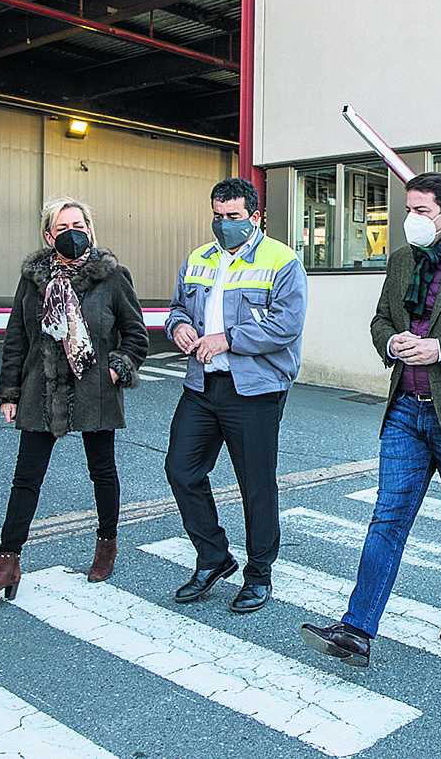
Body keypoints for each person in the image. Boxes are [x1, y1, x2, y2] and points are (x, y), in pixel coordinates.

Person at [300, 171, 441, 667]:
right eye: (408, 209)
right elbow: (382, 317)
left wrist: (439, 349)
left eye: (420, 210)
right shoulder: (401, 261)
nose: (409, 219)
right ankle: (357, 630)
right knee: (388, 516)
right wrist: (390, 342)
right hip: (405, 410)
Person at [0, 197, 149, 599]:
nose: (72, 233)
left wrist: (117, 368)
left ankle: (106, 545)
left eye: (79, 225)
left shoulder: (113, 277)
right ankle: (7, 562)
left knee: (102, 471)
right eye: (63, 227)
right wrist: (9, 391)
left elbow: (136, 336)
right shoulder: (33, 280)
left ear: (90, 229)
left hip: (95, 388)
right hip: (41, 388)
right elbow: (16, 337)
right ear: (49, 235)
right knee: (25, 479)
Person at [164, 177, 307, 614]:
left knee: (256, 486)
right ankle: (213, 557)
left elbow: (286, 325)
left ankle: (258, 574)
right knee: (180, 470)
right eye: (218, 217)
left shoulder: (282, 262)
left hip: (255, 390)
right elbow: (176, 309)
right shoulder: (198, 259)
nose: (224, 225)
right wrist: (179, 328)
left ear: (256, 217)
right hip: (202, 385)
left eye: (234, 217)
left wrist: (228, 339)